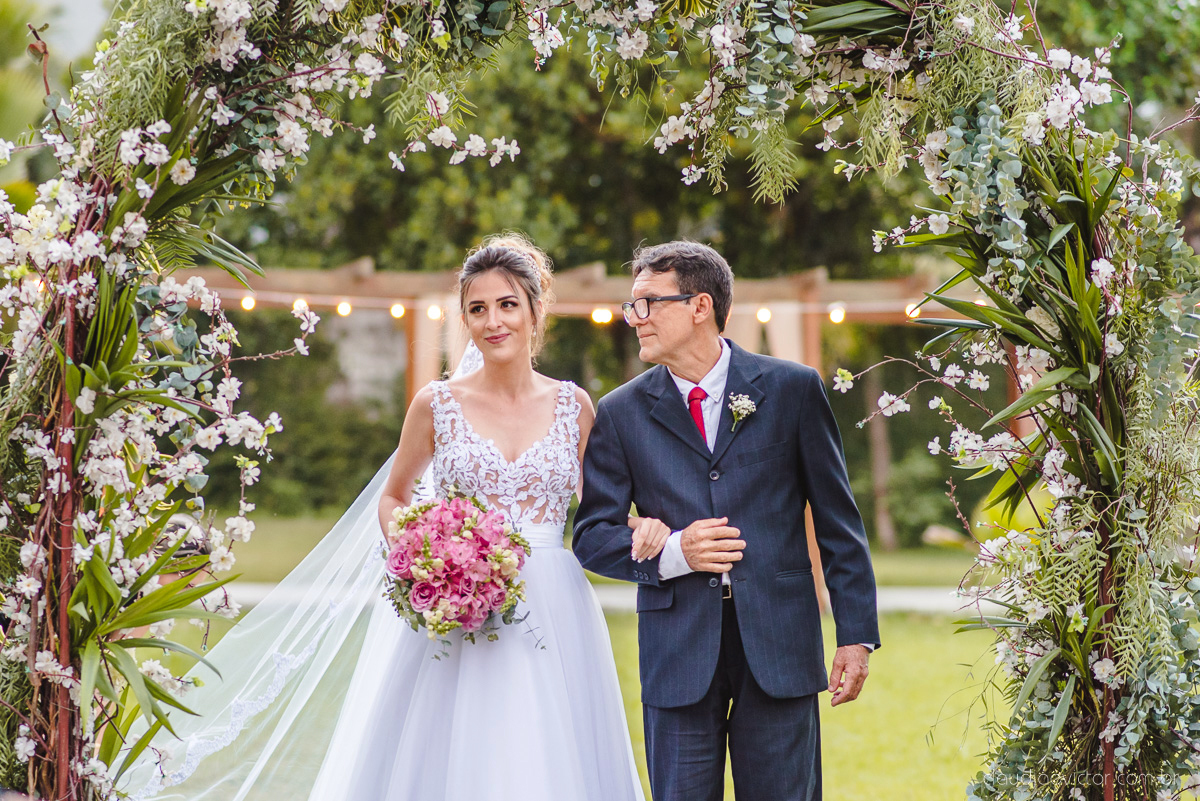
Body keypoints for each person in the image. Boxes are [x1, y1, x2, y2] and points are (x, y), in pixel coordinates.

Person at [117, 235, 645, 801]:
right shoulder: (437, 404)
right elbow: (393, 498)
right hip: (461, 607)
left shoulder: (574, 406)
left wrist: (648, 527)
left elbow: (603, 510)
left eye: (507, 304)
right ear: (465, 320)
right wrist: (428, 555)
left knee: (550, 751)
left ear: (536, 311)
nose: (493, 321)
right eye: (478, 308)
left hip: (555, 608)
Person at [573, 240, 881, 801]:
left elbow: (838, 520)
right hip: (677, 652)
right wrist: (675, 553)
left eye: (649, 303)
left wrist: (855, 635)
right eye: (632, 305)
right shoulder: (619, 413)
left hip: (781, 644)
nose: (635, 318)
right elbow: (592, 537)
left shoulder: (793, 389)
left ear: (700, 306)